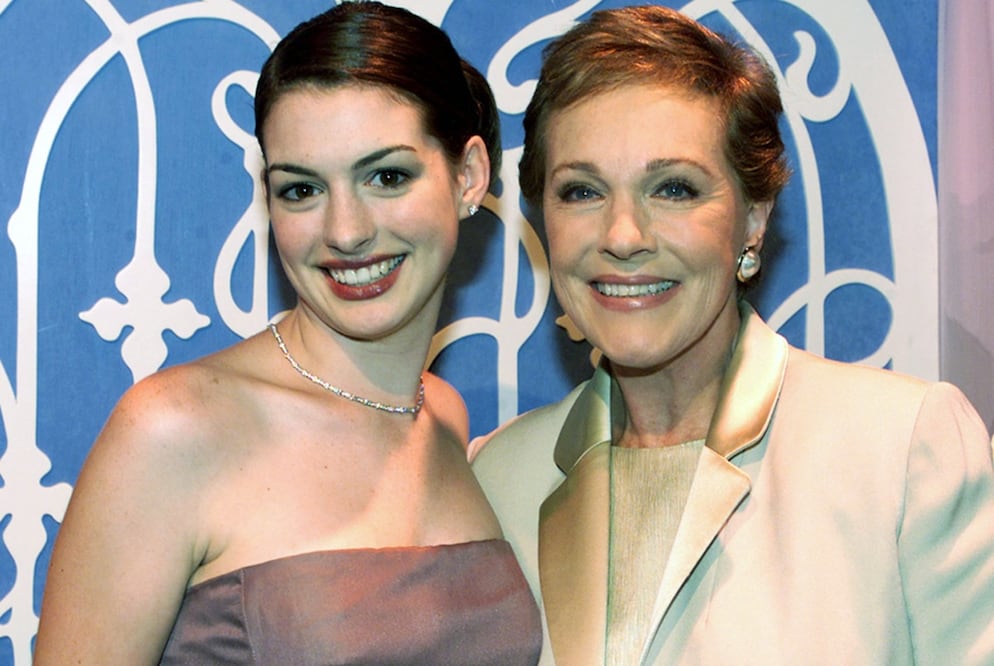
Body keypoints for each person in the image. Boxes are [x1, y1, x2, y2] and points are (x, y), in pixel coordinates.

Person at [470, 5, 994, 665]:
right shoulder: (501, 475)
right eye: (581, 192)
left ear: (753, 219)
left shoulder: (901, 449)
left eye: (674, 189)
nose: (623, 236)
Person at [34, 3, 542, 664]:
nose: (346, 231)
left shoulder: (444, 419)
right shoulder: (173, 430)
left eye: (387, 177)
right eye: (302, 190)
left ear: (468, 176)